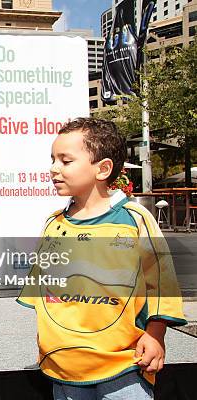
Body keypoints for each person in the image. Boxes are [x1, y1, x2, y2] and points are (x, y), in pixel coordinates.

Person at [17, 118, 186, 400]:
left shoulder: (134, 219)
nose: (53, 168)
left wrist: (155, 335)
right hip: (64, 367)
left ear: (103, 168)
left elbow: (161, 280)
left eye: (65, 160)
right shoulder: (53, 224)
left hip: (125, 365)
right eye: (52, 159)